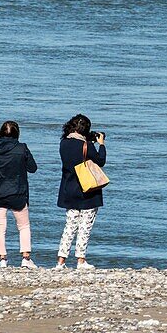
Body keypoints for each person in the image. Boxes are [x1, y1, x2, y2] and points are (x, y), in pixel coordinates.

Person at [55, 114, 106, 270]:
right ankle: (81, 260)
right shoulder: (87, 146)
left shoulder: (63, 143)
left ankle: (61, 261)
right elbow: (100, 161)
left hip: (69, 190)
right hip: (87, 191)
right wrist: (101, 144)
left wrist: (88, 140)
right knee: (85, 226)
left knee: (69, 226)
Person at [0, 121, 38, 268]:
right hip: (17, 192)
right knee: (24, 226)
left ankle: (2, 259)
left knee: (0, 226)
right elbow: (32, 168)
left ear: (1, 132)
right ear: (17, 133)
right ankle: (26, 259)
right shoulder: (21, 148)